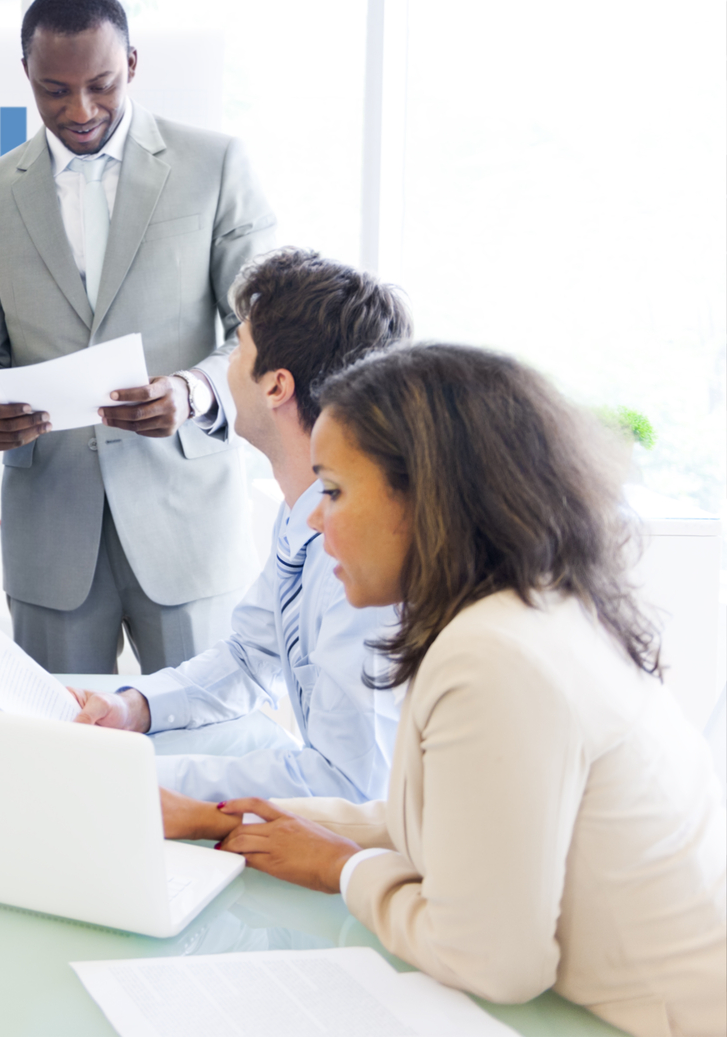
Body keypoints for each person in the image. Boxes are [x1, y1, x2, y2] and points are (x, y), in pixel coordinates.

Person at [162, 344, 727, 1036]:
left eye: (334, 490)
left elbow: (493, 961)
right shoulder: (534, 611)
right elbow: (453, 829)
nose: (315, 519)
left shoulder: (494, 654)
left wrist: (346, 869)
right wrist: (226, 818)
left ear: (426, 495)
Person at [0, 0, 277, 673]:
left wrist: (194, 392)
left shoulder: (214, 165)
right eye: (54, 91)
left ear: (131, 62)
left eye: (99, 84)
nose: (80, 110)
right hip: (51, 535)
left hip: (186, 525)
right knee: (60, 762)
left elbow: (261, 325)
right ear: (28, 78)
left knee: (204, 757)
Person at [71, 249, 409, 802]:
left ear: (276, 386)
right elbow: (253, 658)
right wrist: (135, 707)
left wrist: (141, 779)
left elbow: (349, 787)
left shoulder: (361, 557)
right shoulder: (303, 510)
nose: (225, 367)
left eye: (239, 349)